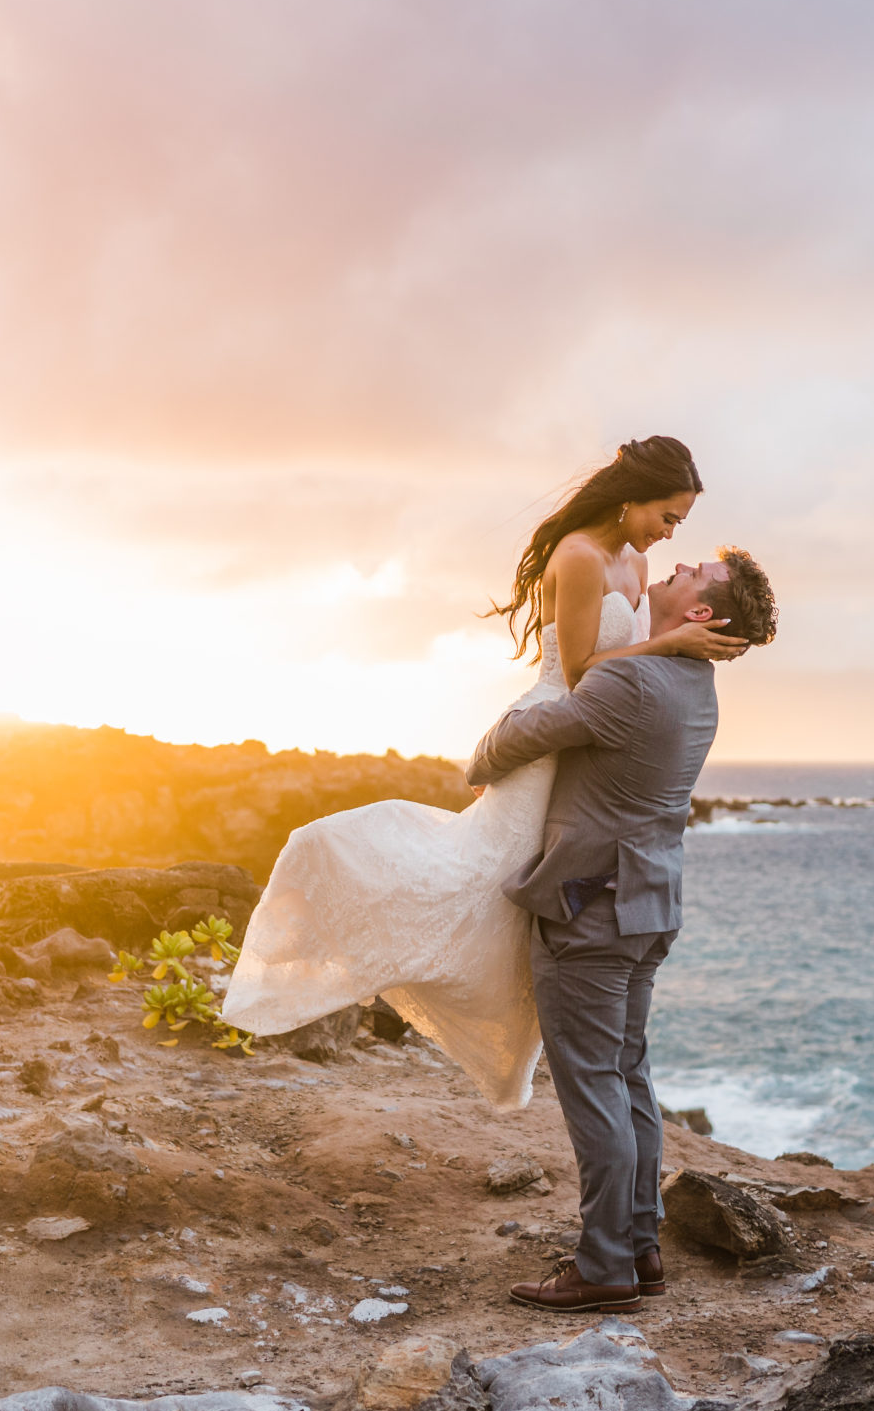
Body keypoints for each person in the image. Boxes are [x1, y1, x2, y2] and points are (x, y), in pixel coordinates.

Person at [219, 438, 747, 1105]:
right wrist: (668, 644)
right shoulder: (579, 557)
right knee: (478, 879)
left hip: (589, 738)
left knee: (524, 897)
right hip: (558, 723)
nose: (669, 534)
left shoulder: (636, 561)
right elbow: (584, 673)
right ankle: (332, 927)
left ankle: (525, 1037)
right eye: (667, 516)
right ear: (633, 495)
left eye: (678, 524)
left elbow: (625, 669)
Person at [467, 547, 777, 1313]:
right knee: (628, 1071)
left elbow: (502, 750)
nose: (678, 563)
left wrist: (494, 734)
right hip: (649, 907)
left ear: (700, 613)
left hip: (591, 911)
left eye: (693, 571)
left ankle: (604, 1263)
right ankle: (640, 1244)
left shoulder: (631, 679)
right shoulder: (695, 684)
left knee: (595, 1084)